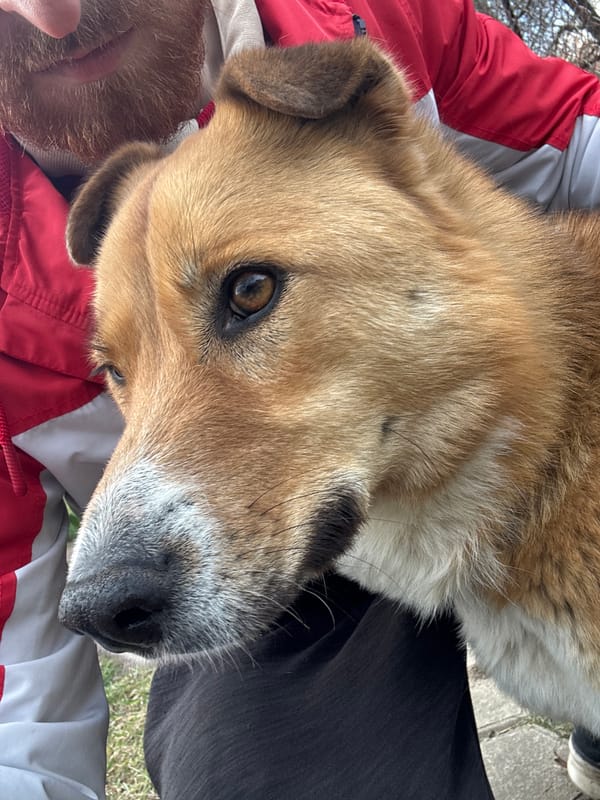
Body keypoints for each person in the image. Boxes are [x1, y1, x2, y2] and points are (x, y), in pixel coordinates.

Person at [1, 1, 600, 798]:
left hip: (512, 418)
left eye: (248, 294)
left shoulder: (363, 26)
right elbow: (18, 697)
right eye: (119, 368)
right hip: (311, 584)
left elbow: (574, 130)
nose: (49, 11)